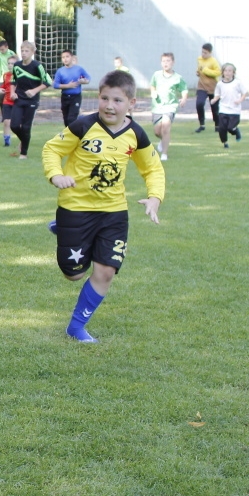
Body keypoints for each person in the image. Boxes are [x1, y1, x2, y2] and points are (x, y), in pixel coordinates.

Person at [43, 70, 165, 342]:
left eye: (118, 100)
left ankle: (76, 327)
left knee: (106, 271)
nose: (110, 105)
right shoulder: (82, 126)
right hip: (76, 207)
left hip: (114, 212)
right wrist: (56, 175)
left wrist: (155, 197)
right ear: (98, 98)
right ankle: (63, 229)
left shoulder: (135, 135)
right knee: (73, 274)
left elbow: (152, 169)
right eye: (104, 98)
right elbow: (52, 149)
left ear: (131, 103)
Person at [9, 41, 52, 159]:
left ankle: (24, 153)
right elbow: (13, 81)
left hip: (32, 100)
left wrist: (34, 91)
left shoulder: (37, 66)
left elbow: (48, 81)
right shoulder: (17, 65)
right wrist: (12, 92)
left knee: (26, 127)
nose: (24, 53)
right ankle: (24, 140)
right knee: (14, 125)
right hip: (19, 98)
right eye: (22, 51)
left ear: (33, 52)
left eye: (26, 51)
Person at [150, 52, 187, 161]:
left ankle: (164, 154)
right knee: (157, 131)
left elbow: (184, 89)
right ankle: (163, 141)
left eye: (168, 61)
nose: (165, 63)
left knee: (165, 128)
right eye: (163, 61)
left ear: (173, 62)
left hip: (170, 106)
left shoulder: (177, 78)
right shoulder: (156, 75)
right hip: (157, 106)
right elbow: (152, 85)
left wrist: (184, 98)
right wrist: (153, 92)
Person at [52, 49, 91, 126]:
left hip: (75, 97)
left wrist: (83, 81)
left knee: (71, 118)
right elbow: (55, 85)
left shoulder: (79, 69)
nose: (65, 59)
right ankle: (70, 134)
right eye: (63, 57)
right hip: (65, 97)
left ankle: (74, 134)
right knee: (66, 119)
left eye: (67, 56)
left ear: (72, 58)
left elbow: (88, 79)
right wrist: (68, 86)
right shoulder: (60, 71)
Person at [213, 63, 246, 148]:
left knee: (230, 128)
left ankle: (236, 131)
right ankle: (225, 143)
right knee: (222, 128)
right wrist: (214, 99)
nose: (227, 73)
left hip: (234, 110)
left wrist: (240, 100)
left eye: (230, 71)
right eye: (226, 71)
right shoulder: (220, 84)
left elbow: (244, 93)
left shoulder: (237, 83)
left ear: (233, 72)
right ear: (223, 72)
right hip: (223, 109)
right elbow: (217, 94)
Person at [194, 43, 222, 133]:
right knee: (199, 103)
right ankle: (202, 125)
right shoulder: (199, 59)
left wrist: (206, 71)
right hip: (201, 85)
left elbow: (218, 72)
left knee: (214, 107)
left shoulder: (213, 61)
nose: (203, 54)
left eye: (205, 53)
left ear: (210, 53)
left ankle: (217, 125)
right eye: (202, 52)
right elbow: (199, 69)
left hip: (212, 86)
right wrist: (198, 72)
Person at [0, 55, 18, 147]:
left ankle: (22, 140)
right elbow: (3, 86)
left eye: (13, 63)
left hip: (17, 102)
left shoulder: (19, 75)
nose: (10, 65)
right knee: (6, 122)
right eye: (9, 63)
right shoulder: (6, 75)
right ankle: (6, 140)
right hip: (7, 101)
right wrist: (0, 90)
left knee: (16, 123)